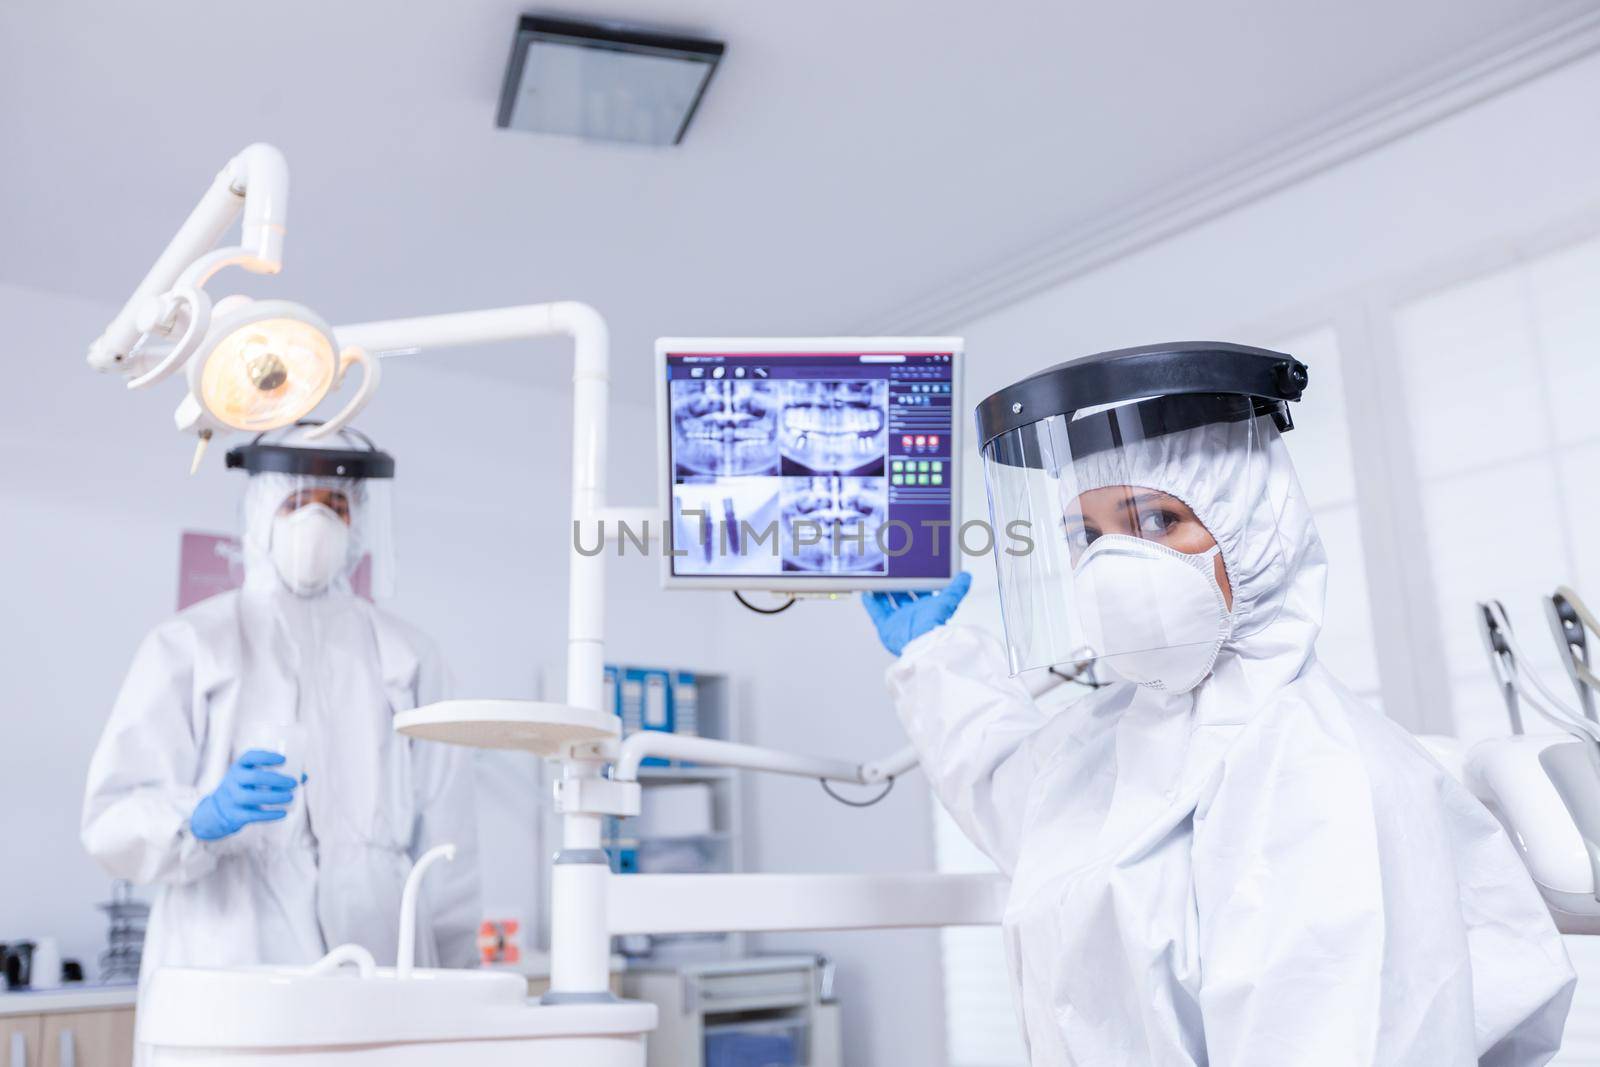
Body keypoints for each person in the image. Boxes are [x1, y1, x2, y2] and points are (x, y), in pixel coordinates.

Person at [864, 343, 1575, 1066]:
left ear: (1253, 530)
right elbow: (1016, 797)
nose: (1112, 568)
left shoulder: (1322, 782)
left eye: (1155, 521)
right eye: (1087, 535)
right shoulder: (1114, 741)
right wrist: (935, 657)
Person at [82, 425, 480, 980]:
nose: (315, 521)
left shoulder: (407, 657)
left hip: (381, 956)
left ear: (357, 521)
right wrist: (197, 817)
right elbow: (109, 824)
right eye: (296, 501)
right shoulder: (192, 644)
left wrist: (459, 982)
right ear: (260, 512)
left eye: (334, 504)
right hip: (231, 959)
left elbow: (450, 847)